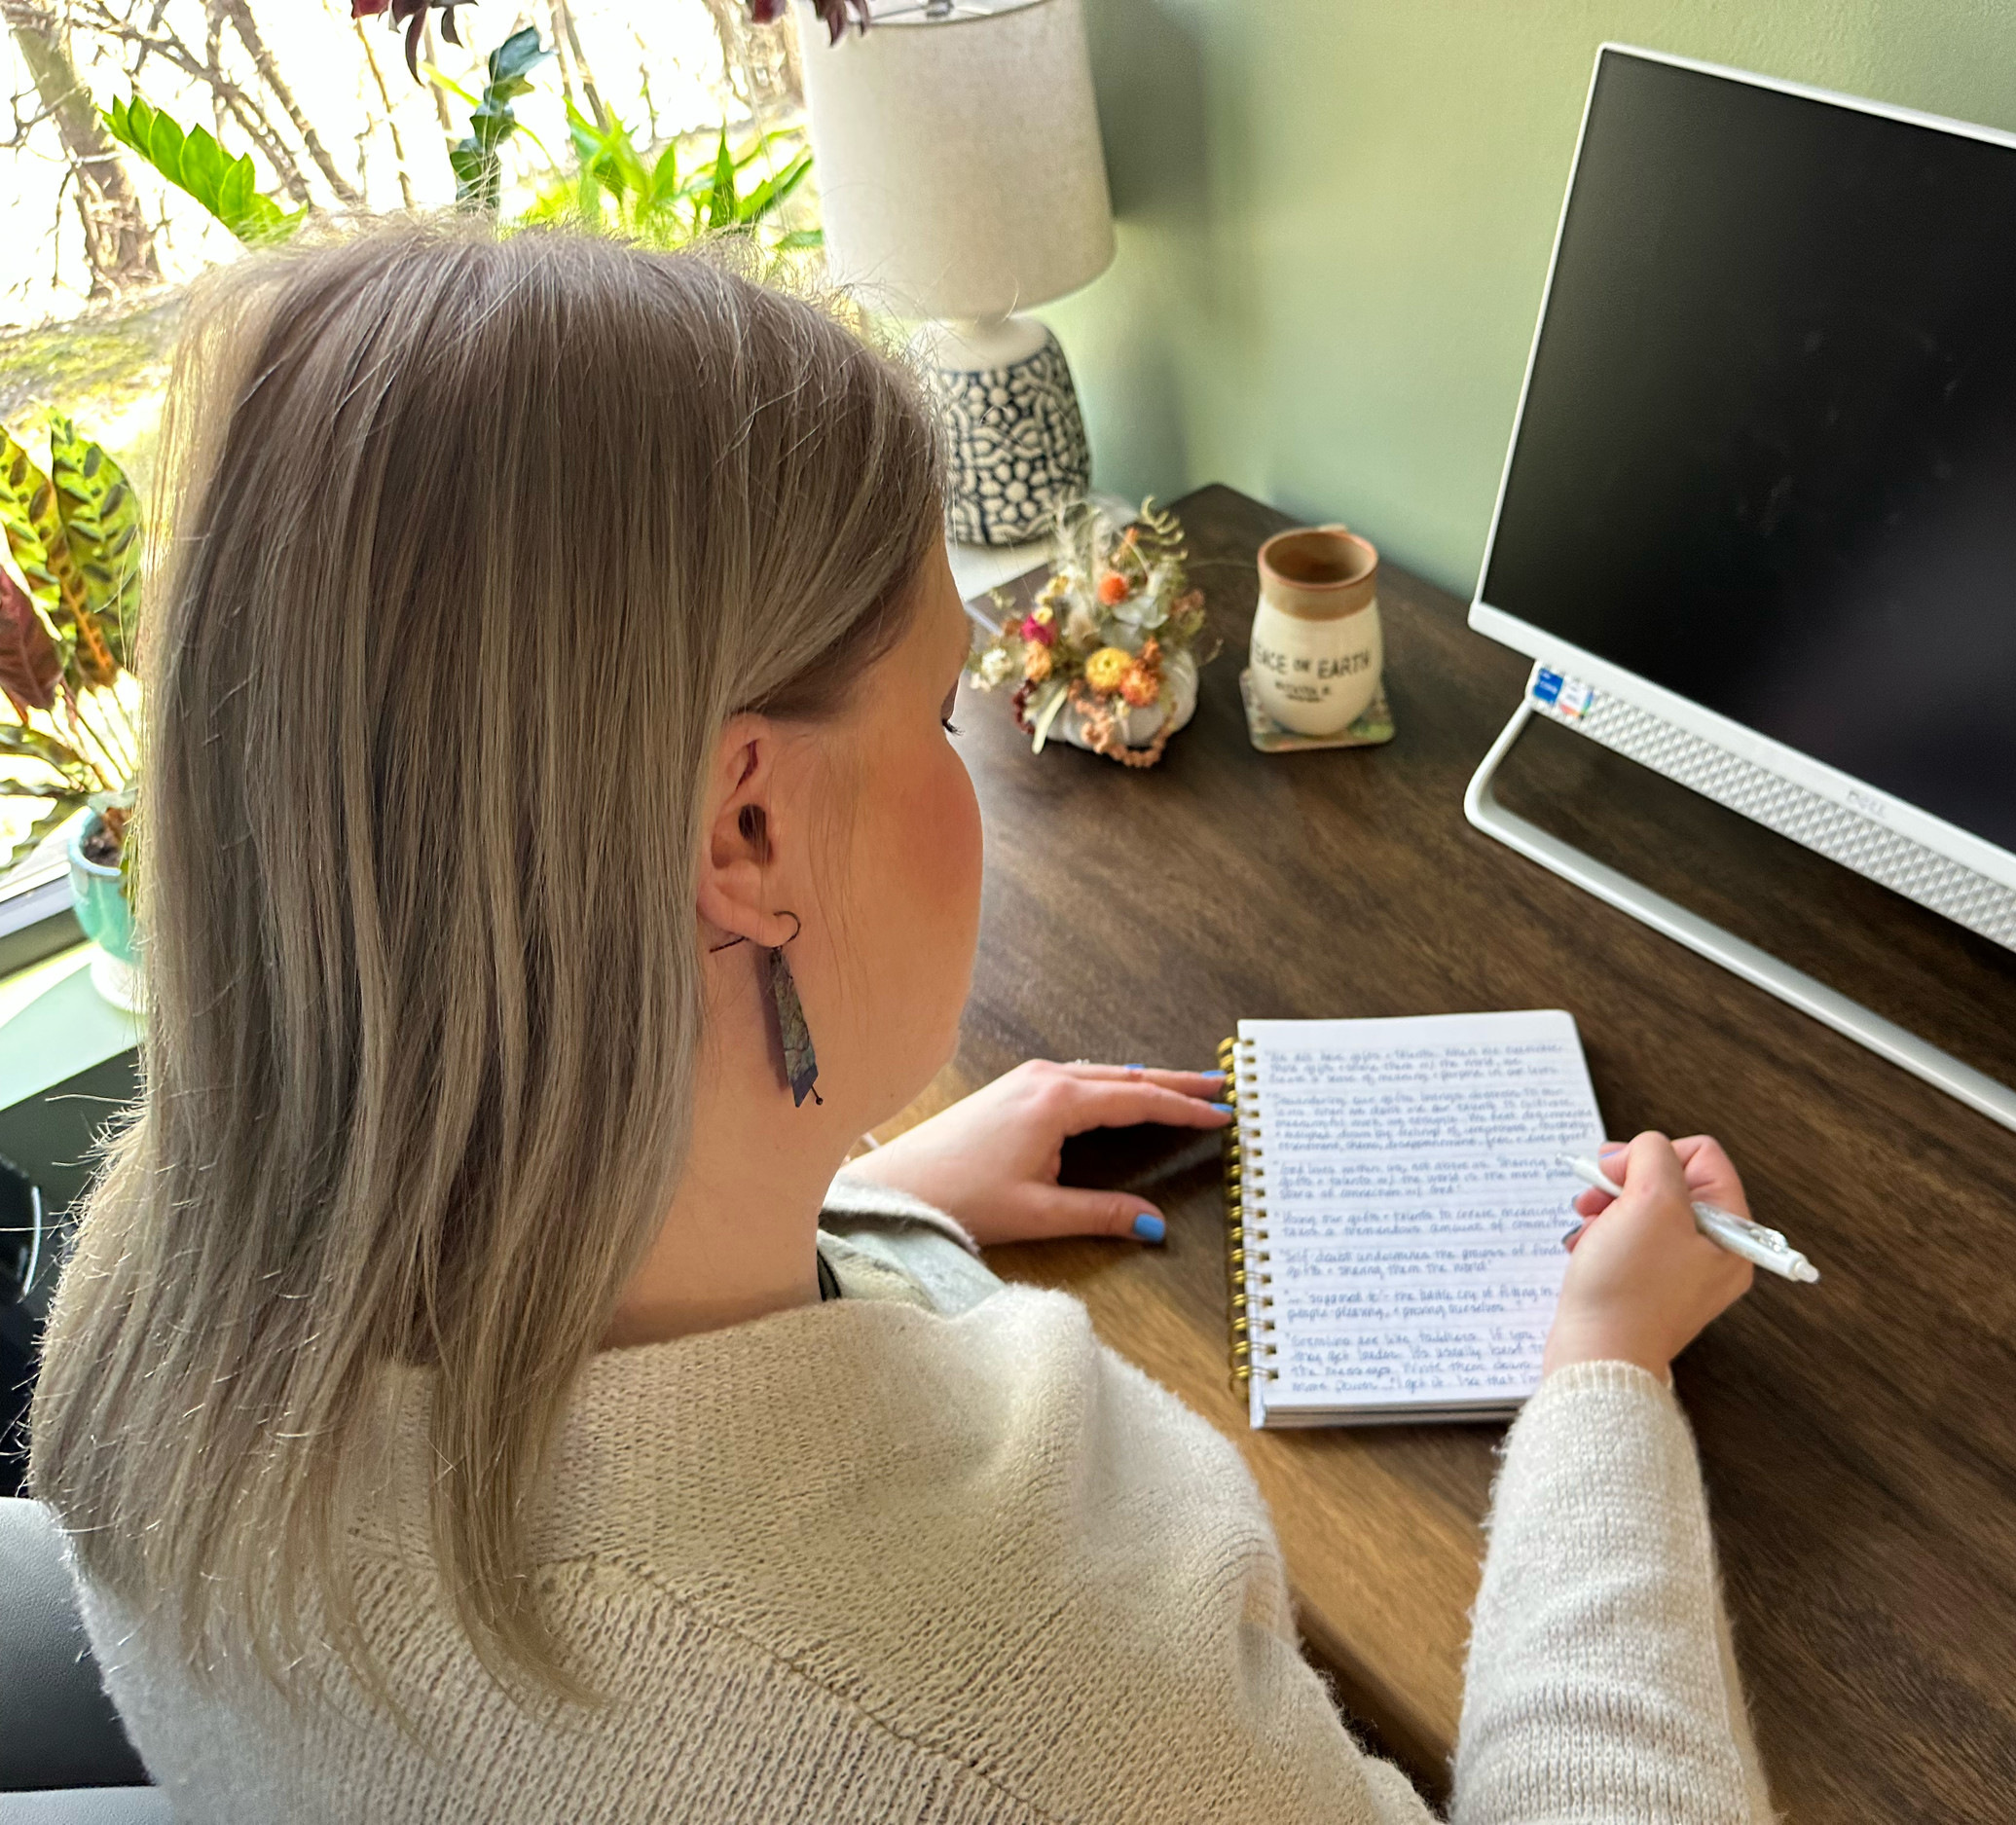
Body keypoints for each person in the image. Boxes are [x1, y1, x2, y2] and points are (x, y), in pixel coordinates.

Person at [30, 227, 1774, 1823]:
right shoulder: (1006, 1708)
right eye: (945, 713)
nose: (974, 766)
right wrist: (1602, 1375)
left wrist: (879, 1205)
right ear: (747, 832)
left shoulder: (168, 1308)